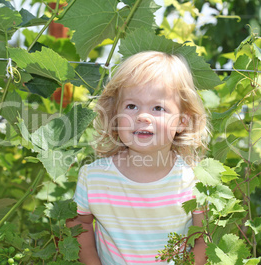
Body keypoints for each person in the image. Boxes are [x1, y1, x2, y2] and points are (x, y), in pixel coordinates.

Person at [67, 51, 209, 265]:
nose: (143, 116)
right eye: (131, 106)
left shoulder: (192, 180)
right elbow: (80, 225)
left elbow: (204, 240)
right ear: (115, 116)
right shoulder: (94, 177)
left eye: (158, 108)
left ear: (182, 121)